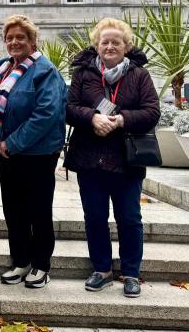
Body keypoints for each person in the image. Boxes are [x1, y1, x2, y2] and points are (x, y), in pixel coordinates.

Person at [65, 18, 159, 299]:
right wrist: (92, 118)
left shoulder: (139, 75)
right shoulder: (83, 74)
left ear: (126, 46)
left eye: (116, 42)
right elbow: (69, 108)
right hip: (90, 158)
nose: (109, 46)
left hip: (126, 160)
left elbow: (152, 112)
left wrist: (120, 120)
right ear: (97, 45)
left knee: (129, 218)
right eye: (104, 42)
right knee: (95, 217)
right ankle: (102, 270)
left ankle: (131, 273)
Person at [0, 14, 67, 289]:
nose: (14, 42)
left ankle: (41, 265)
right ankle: (21, 261)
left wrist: (12, 143)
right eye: (9, 38)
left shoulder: (45, 70)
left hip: (37, 154)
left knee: (38, 211)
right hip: (7, 153)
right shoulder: (2, 67)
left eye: (20, 37)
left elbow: (46, 113)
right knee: (13, 211)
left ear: (33, 41)